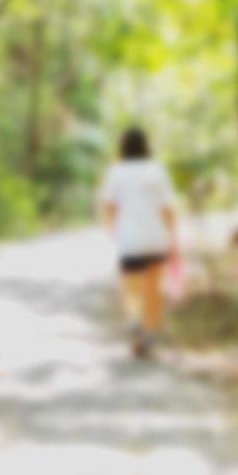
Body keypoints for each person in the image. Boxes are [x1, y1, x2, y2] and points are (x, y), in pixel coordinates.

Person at [98, 127, 179, 359]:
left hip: (130, 240)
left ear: (122, 147)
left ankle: (135, 324)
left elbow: (110, 205)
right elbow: (167, 208)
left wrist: (113, 229)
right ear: (146, 145)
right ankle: (150, 334)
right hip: (156, 238)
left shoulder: (117, 172)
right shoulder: (157, 170)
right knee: (153, 290)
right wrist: (173, 235)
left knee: (131, 290)